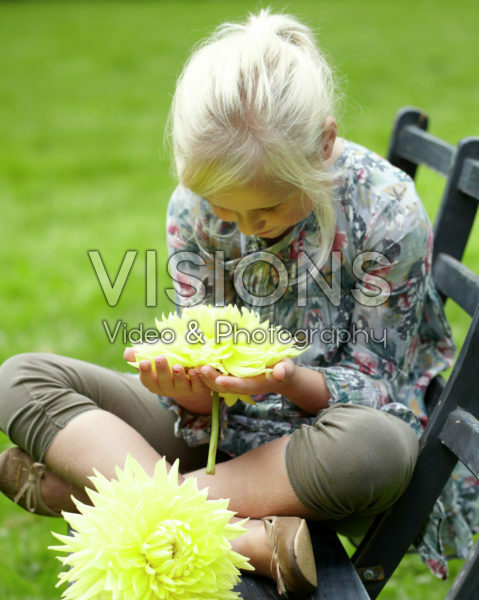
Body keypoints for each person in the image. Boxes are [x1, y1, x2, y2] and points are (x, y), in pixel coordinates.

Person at [0, 7, 463, 594]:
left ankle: (123, 504)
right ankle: (239, 537)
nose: (245, 227)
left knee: (382, 448)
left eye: (265, 209)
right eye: (225, 210)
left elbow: (381, 389)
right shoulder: (192, 207)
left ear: (323, 146)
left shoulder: (388, 213)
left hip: (315, 448)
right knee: (19, 377)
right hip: (221, 436)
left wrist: (285, 381)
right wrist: (192, 391)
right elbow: (204, 344)